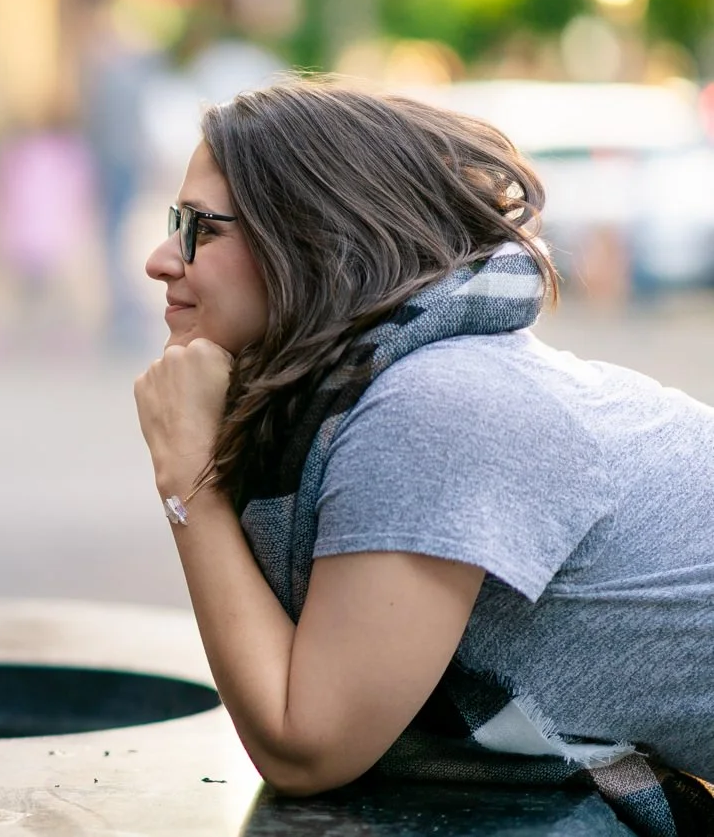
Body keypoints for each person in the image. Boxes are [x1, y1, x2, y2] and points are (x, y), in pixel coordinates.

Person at [132, 81, 714, 835]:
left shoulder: (434, 409)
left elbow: (307, 744)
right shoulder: (393, 389)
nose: (157, 259)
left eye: (197, 228)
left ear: (311, 238)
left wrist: (191, 481)